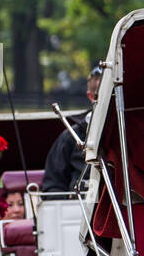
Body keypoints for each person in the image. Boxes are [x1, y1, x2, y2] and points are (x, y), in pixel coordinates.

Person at [43, 64, 102, 193]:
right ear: (90, 96)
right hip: (80, 208)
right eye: (100, 96)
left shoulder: (129, 133)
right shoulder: (70, 137)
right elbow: (52, 186)